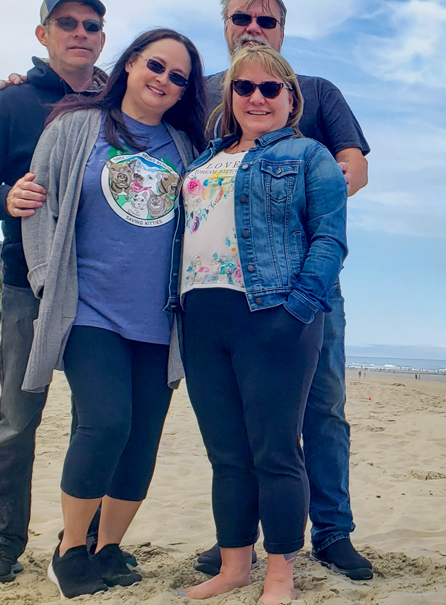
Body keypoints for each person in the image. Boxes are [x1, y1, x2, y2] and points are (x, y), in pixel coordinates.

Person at [189, 0, 373, 581]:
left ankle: (332, 531)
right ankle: (240, 540)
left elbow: (355, 166)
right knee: (243, 422)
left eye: (267, 22)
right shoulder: (201, 94)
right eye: (242, 18)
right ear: (224, 26)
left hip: (300, 283)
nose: (253, 29)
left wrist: (299, 204)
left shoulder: (315, 92)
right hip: (218, 293)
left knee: (321, 406)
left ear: (283, 32)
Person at [22, 28, 206, 597]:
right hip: (88, 311)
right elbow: (37, 202)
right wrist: (45, 279)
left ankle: (109, 548)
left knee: (141, 439)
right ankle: (69, 548)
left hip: (160, 321)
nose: (164, 81)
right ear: (128, 64)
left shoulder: (184, 148)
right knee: (106, 424)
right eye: (156, 65)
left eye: (179, 77)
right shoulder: (74, 128)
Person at [175, 45, 346, 604]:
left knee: (275, 452)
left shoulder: (310, 155)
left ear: (290, 99)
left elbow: (329, 239)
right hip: (201, 317)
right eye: (244, 88)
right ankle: (233, 568)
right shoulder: (202, 159)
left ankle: (279, 576)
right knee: (226, 454)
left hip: (272, 312)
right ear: (230, 97)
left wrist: (296, 312)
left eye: (270, 89)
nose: (256, 97)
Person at [0, 0, 108, 583]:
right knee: (17, 420)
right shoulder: (11, 103)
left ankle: (88, 541)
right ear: (43, 34)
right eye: (66, 22)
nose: (79, 32)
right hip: (31, 285)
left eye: (91, 25)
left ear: (102, 38)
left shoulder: (115, 103)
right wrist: (5, 198)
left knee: (99, 421)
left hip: (101, 290)